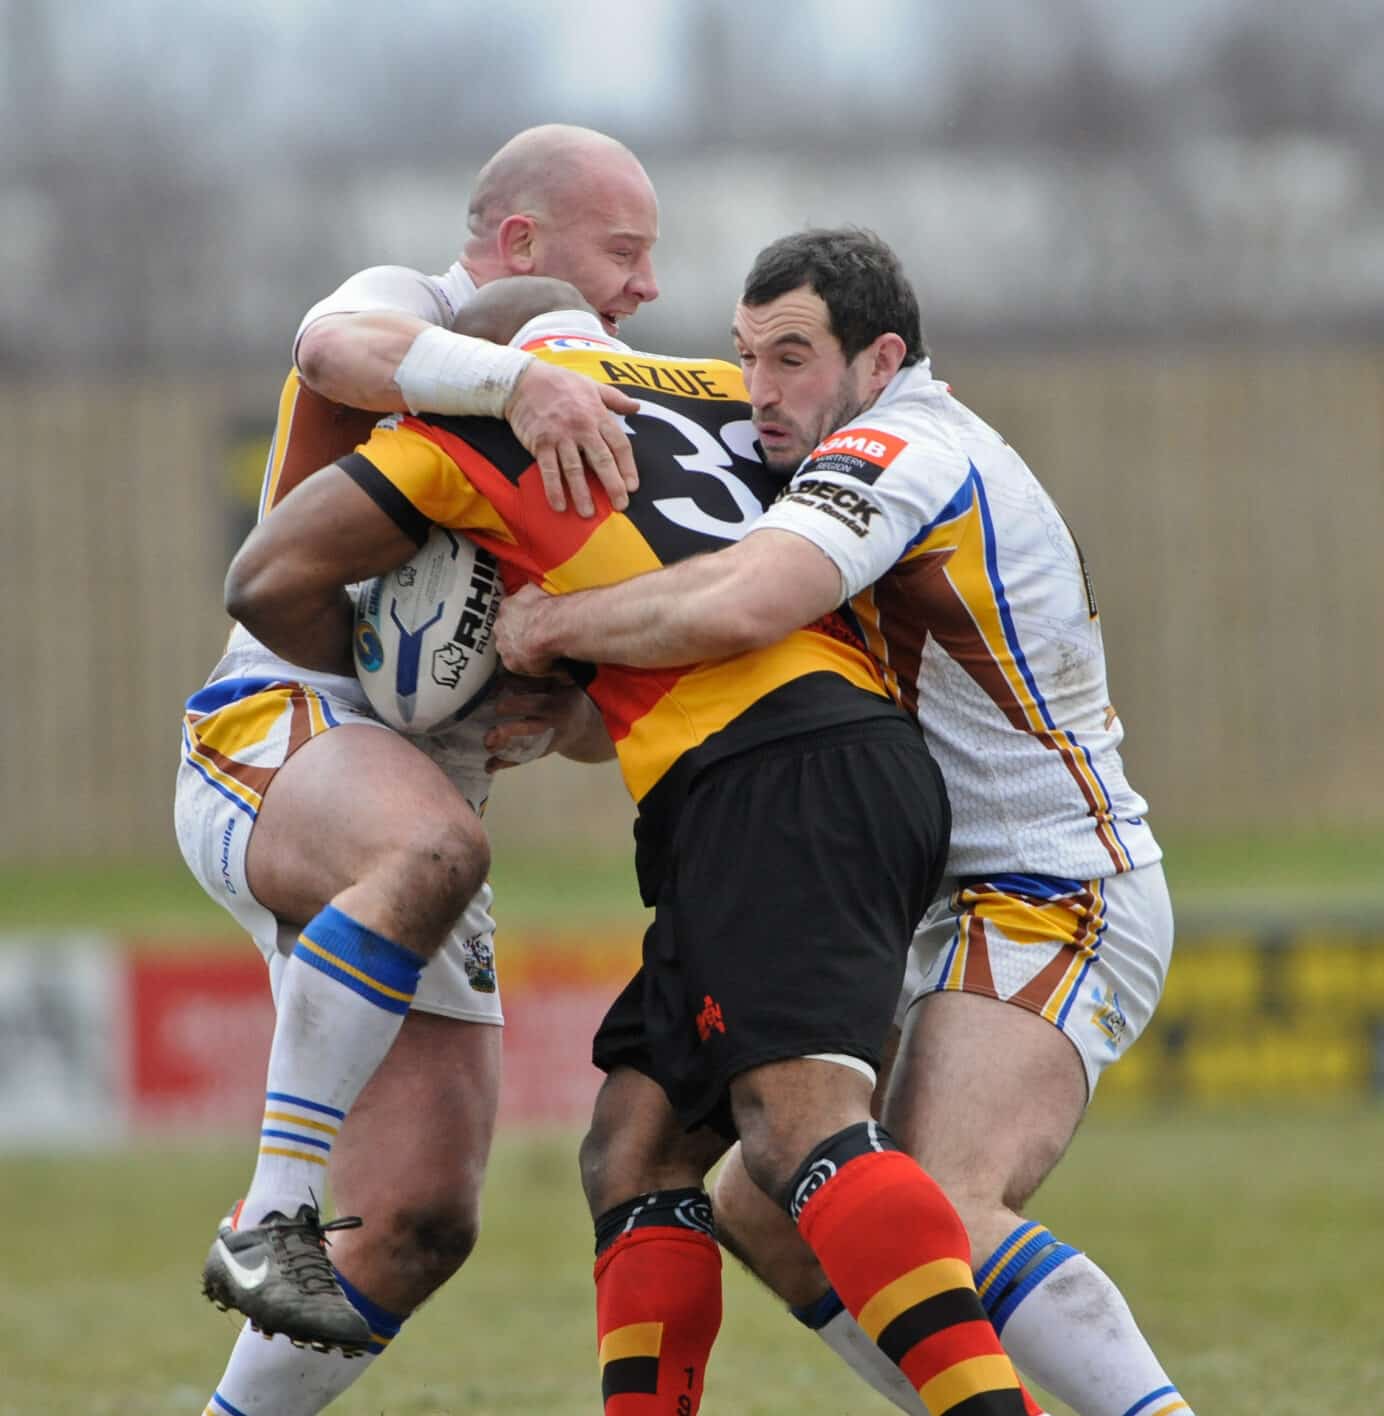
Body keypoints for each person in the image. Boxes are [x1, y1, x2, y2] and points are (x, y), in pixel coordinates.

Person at [225, 274, 1043, 1416]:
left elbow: (262, 576)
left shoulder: (463, 429)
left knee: (800, 1131)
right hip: (828, 770)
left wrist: (397, 686)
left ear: (482, 363)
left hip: (771, 778)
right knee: (635, 1149)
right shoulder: (732, 396)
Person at [495, 228, 1195, 1416]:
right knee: (766, 1210)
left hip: (1054, 886)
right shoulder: (852, 446)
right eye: (746, 357)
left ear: (880, 358)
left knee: (943, 1205)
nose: (762, 393)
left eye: (792, 358)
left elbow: (747, 597)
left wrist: (557, 625)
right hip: (947, 892)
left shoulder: (901, 446)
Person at [177, 125, 658, 1416]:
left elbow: (602, 725)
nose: (649, 287)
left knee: (423, 1222)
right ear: (519, 242)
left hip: (421, 794)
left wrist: (547, 684)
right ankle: (273, 1206)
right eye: (627, 251)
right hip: (275, 728)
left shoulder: (601, 412)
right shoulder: (411, 308)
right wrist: (511, 387)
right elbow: (328, 351)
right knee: (433, 848)